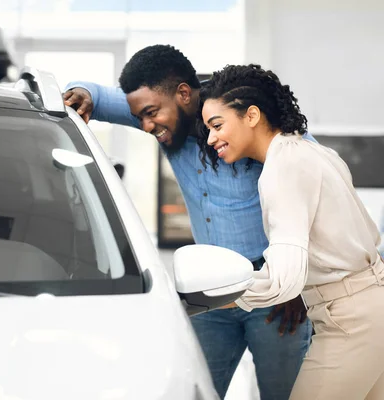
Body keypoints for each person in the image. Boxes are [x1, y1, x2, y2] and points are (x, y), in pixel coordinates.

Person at [62, 45, 313, 400]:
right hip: (208, 292)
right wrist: (84, 93)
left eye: (151, 114)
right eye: (141, 117)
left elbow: (317, 195)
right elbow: (98, 97)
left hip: (275, 292)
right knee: (190, 389)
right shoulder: (159, 115)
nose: (146, 126)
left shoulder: (251, 124)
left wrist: (299, 281)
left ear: (183, 94)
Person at [199, 63, 384, 399]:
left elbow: (283, 280)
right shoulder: (313, 152)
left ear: (251, 116)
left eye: (216, 125)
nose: (211, 138)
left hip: (352, 320)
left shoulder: (283, 169)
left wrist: (205, 298)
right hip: (369, 307)